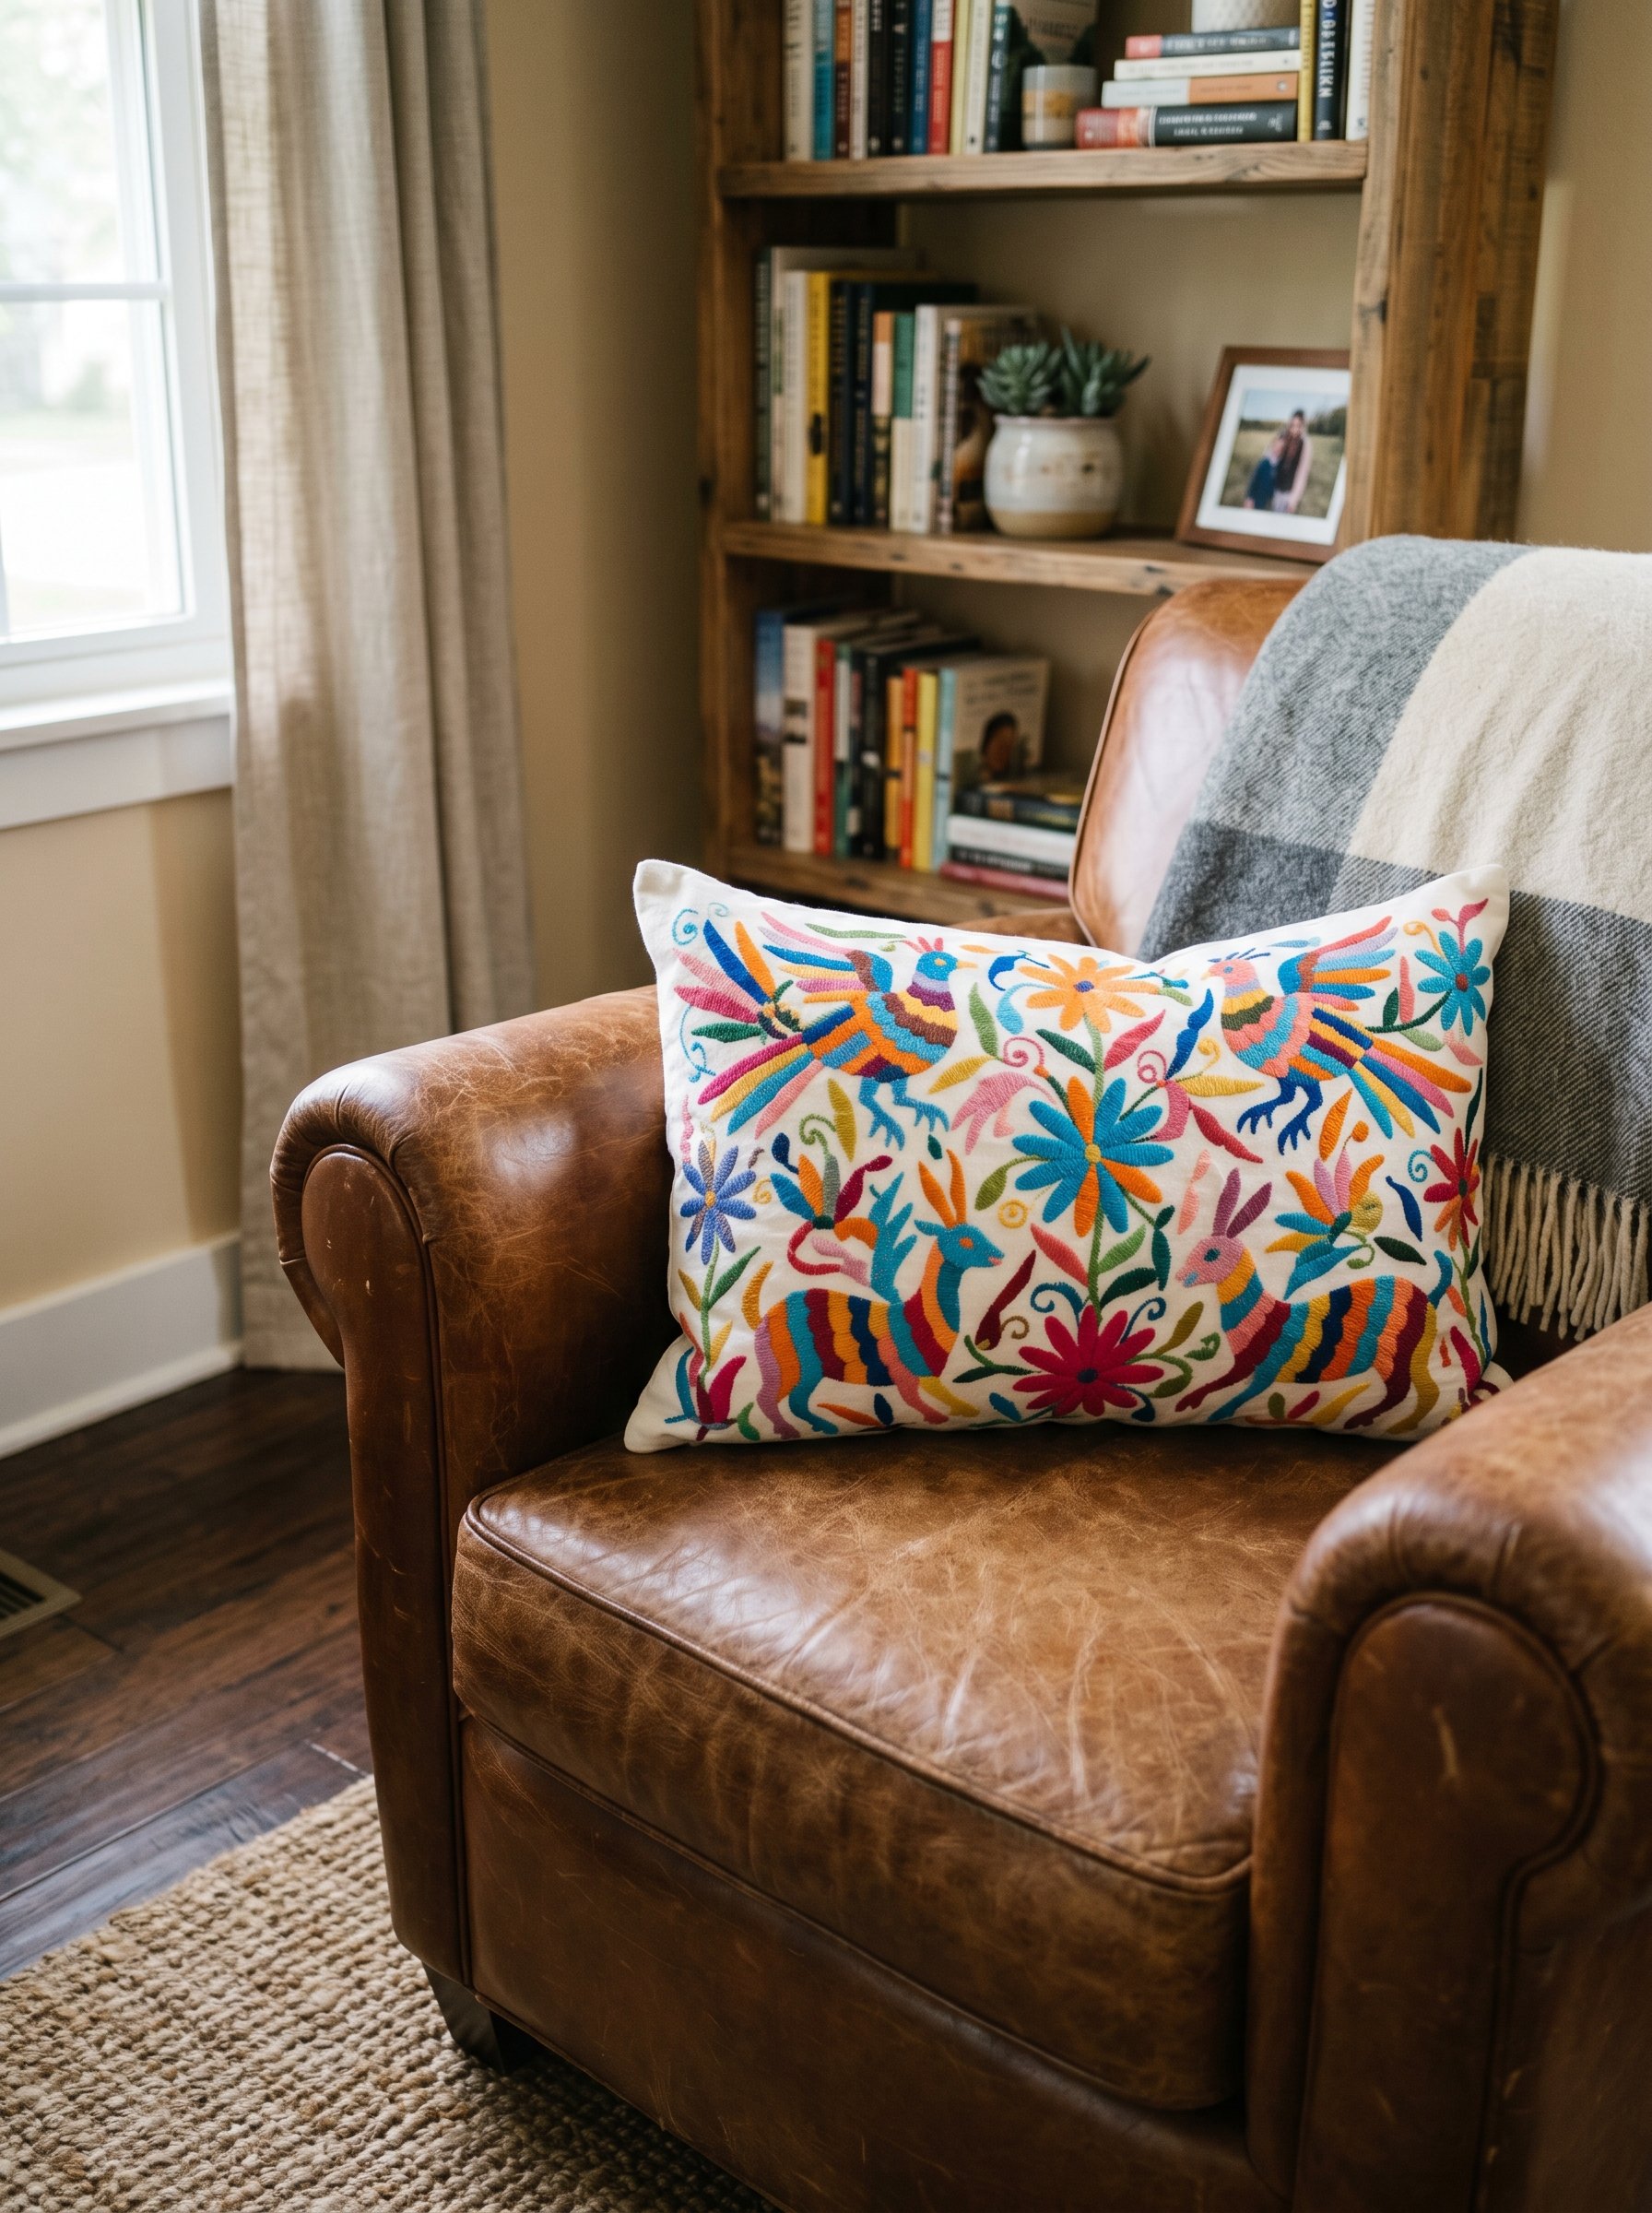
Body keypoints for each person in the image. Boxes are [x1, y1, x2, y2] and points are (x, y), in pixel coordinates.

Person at [1270, 409, 1315, 515]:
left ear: (1303, 426)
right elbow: (1271, 457)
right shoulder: (1283, 437)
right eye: (1292, 425)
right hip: (1276, 487)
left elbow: (1303, 473)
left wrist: (1293, 501)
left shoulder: (1305, 444)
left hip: (1289, 491)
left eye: (1298, 425)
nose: (1294, 429)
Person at [1243, 432, 1284, 511]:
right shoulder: (1264, 462)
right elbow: (1254, 481)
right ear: (1272, 445)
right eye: (1276, 446)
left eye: (1281, 448)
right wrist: (1249, 498)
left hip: (1269, 502)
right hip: (1258, 498)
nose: (1278, 450)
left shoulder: (1281, 465)